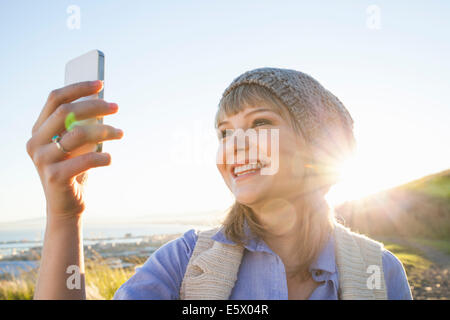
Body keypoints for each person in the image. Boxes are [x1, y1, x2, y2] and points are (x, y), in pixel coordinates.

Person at [27, 67, 412, 300]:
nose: (234, 147)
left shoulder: (380, 273)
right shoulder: (184, 262)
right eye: (224, 133)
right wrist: (65, 216)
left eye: (261, 123)